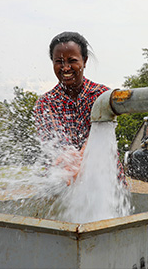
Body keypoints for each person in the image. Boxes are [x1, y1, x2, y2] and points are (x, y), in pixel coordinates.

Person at [34, 31, 125, 185]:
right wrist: (69, 160)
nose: (66, 67)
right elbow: (54, 140)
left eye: (72, 60)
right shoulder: (45, 103)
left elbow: (101, 135)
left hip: (105, 181)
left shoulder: (102, 96)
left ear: (85, 61)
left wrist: (81, 159)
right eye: (59, 61)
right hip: (64, 180)